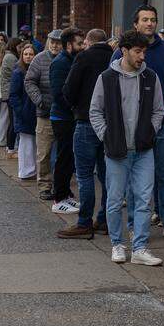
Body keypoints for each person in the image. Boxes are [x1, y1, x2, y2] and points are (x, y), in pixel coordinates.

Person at [90, 29, 164, 267]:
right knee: (114, 200)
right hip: (117, 151)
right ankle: (117, 244)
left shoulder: (150, 77)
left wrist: (150, 132)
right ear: (124, 51)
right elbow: (95, 112)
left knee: (143, 199)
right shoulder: (107, 78)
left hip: (143, 150)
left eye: (144, 51)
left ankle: (140, 247)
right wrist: (106, 136)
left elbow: (158, 111)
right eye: (138, 51)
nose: (142, 56)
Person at [113, 6, 164, 239]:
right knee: (136, 182)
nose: (150, 23)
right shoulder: (120, 53)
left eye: (153, 20)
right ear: (136, 24)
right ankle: (134, 224)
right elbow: (110, 87)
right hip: (134, 127)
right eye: (145, 20)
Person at [58, 28, 114, 238]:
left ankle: (84, 222)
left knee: (84, 175)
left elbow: (68, 90)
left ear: (89, 42)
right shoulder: (115, 57)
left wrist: (76, 107)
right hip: (109, 124)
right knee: (106, 174)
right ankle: (105, 219)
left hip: (86, 120)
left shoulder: (84, 57)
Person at [25, 29, 63, 198]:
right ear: (48, 42)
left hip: (64, 113)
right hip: (45, 113)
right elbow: (30, 81)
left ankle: (60, 185)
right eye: (52, 42)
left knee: (63, 153)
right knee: (44, 153)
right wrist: (39, 100)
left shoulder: (68, 59)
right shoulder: (39, 59)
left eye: (58, 42)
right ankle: (44, 186)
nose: (55, 45)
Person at [48, 27, 82, 214]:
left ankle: (66, 194)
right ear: (69, 45)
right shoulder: (61, 63)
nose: (82, 46)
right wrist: (74, 107)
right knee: (63, 157)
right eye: (79, 43)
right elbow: (59, 94)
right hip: (62, 117)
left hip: (68, 116)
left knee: (69, 157)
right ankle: (58, 198)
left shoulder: (71, 60)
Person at [9, 43, 38, 180]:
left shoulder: (36, 71)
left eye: (31, 54)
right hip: (24, 114)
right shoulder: (18, 72)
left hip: (34, 113)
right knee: (26, 145)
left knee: (33, 145)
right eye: (25, 54)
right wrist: (21, 111)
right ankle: (26, 171)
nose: (28, 56)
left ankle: (32, 170)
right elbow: (13, 95)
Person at [2, 37, 21, 156]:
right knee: (13, 122)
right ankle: (10, 148)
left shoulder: (9, 56)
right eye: (19, 47)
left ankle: (10, 147)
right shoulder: (11, 57)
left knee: (12, 121)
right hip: (10, 93)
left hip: (8, 92)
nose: (20, 49)